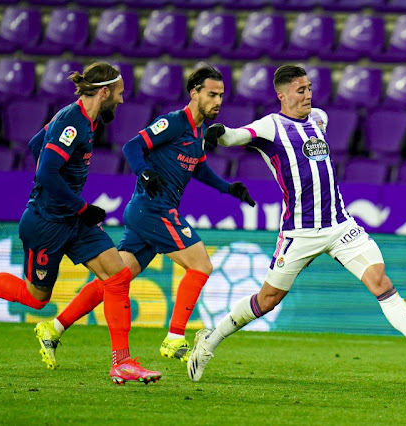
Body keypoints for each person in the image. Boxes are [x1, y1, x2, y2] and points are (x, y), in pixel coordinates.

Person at [187, 65, 406, 382]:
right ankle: (209, 341)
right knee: (268, 300)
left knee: (381, 282)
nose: (307, 95)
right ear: (283, 95)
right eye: (300, 90)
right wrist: (218, 133)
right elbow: (236, 137)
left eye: (309, 88)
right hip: (300, 232)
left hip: (340, 225)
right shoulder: (270, 127)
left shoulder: (320, 118)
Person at [0, 62, 162, 385]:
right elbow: (45, 172)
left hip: (70, 218)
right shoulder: (72, 122)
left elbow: (35, 145)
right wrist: (79, 205)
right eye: (119, 93)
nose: (122, 100)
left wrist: (72, 205)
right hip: (45, 223)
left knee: (117, 274)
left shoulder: (82, 120)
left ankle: (122, 362)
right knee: (36, 298)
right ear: (104, 92)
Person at [33, 65, 255, 369]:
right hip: (153, 209)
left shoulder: (199, 130)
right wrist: (144, 171)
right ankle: (174, 337)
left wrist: (228, 188)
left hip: (147, 214)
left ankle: (54, 328)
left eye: (221, 96)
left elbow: (199, 166)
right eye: (212, 94)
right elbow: (132, 145)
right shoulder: (174, 123)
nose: (218, 101)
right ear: (195, 93)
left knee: (115, 277)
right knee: (201, 264)